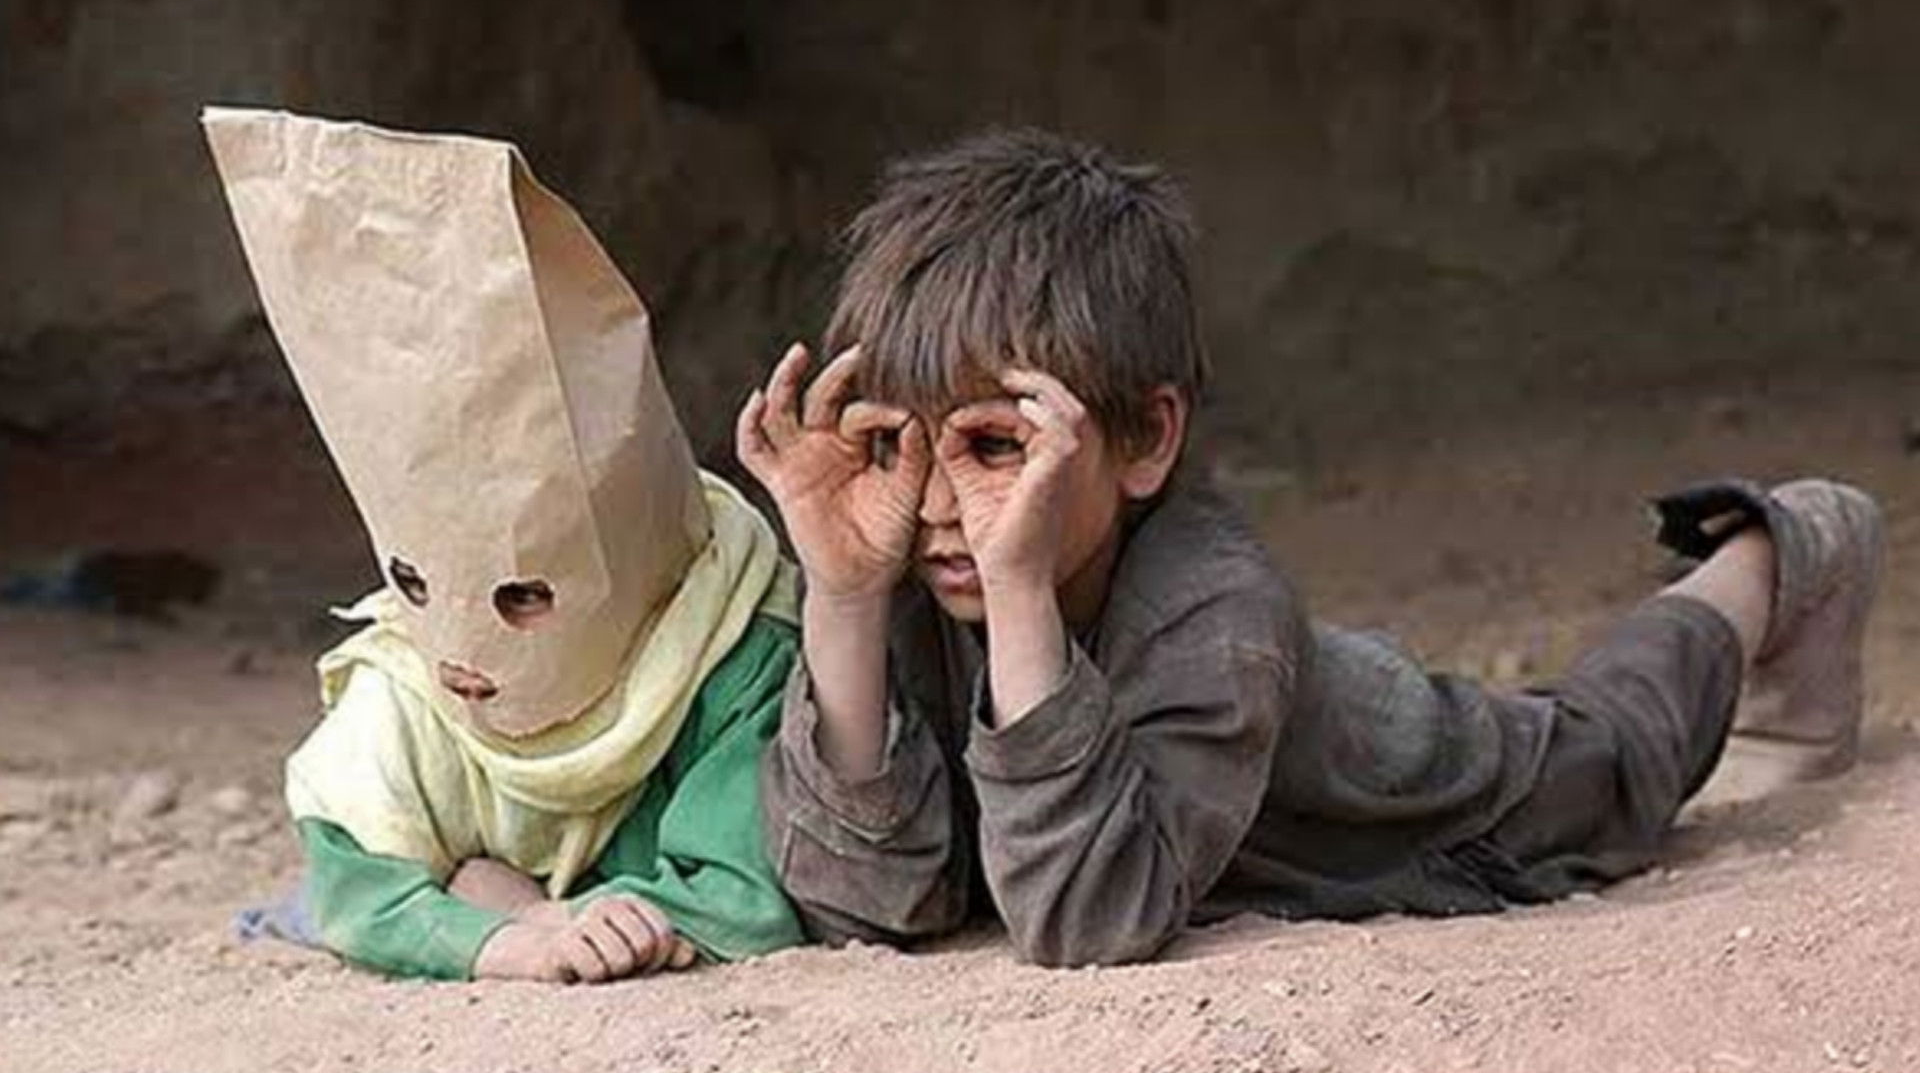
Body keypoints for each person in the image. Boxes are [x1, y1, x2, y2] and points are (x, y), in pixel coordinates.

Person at [736, 128, 1885, 968]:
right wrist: (842, 595)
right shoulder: (907, 569)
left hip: (1458, 805)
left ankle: (1776, 552)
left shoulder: (1215, 609)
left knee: (1618, 745)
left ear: (1146, 439)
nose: (941, 505)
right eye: (898, 445)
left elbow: (1085, 919)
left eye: (995, 445)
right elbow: (861, 904)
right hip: (1267, 754)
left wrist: (1021, 587)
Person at [206, 108, 804, 982]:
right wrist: (512, 939)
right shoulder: (402, 686)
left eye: (523, 596)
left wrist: (513, 901)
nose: (463, 656)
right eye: (416, 583)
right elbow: (356, 891)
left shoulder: (727, 643)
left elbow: (742, 895)